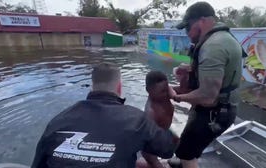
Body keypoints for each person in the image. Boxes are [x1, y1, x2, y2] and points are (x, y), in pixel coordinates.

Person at [31, 62, 177, 168]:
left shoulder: (58, 120)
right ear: (119, 87)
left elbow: (38, 164)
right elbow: (167, 150)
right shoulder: (137, 119)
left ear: (92, 84)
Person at [171, 1, 243, 168]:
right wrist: (189, 68)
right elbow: (219, 71)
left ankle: (188, 161)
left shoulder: (213, 46)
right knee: (190, 145)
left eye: (188, 27)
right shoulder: (222, 38)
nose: (187, 33)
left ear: (202, 21)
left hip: (214, 112)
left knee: (186, 153)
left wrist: (176, 96)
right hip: (221, 108)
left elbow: (207, 97)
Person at [140, 71, 175, 168]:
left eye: (166, 89)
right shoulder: (151, 111)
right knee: (155, 163)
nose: (166, 94)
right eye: (162, 92)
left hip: (164, 133)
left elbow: (180, 91)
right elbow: (148, 136)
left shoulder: (164, 94)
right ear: (148, 90)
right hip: (152, 143)